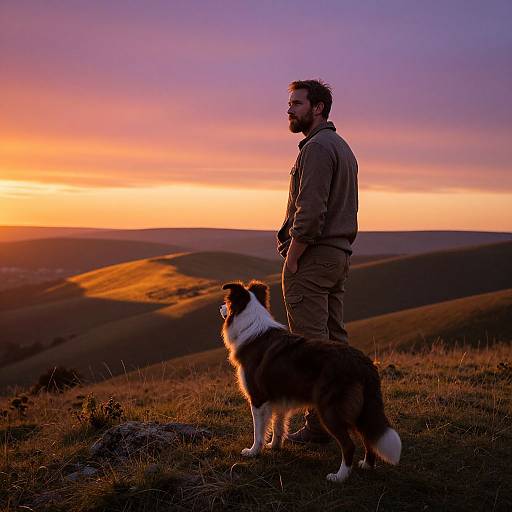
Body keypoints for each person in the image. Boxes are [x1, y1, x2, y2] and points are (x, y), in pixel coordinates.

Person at [277, 79, 359, 443]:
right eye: (290, 103)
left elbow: (310, 212)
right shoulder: (342, 147)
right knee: (335, 342)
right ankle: (344, 417)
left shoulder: (317, 148)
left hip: (313, 257)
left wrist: (293, 257)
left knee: (309, 346)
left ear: (318, 108)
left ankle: (317, 428)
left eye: (297, 103)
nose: (289, 109)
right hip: (338, 257)